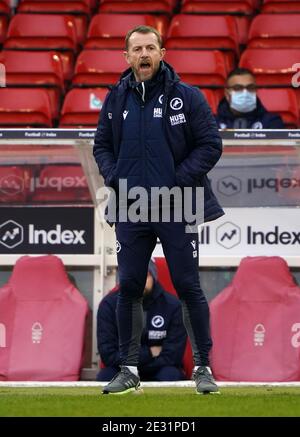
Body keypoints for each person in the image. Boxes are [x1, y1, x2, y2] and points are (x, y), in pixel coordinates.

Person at [93, 25, 224, 395]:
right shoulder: (115, 99)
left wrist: (177, 180)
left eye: (151, 47)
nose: (145, 54)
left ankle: (202, 367)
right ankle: (128, 368)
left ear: (162, 53)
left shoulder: (188, 96)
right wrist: (115, 176)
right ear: (127, 57)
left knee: (187, 285)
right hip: (130, 205)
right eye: (137, 49)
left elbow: (210, 145)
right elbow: (101, 146)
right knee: (129, 287)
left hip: (177, 203)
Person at [96, 259, 187, 382]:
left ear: (153, 277)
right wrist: (150, 353)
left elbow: (172, 356)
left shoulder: (173, 306)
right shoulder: (109, 305)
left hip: (159, 369)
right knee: (106, 377)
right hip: (121, 369)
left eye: (145, 275)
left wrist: (137, 363)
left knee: (170, 375)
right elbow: (108, 356)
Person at [216, 67, 285, 129]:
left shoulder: (272, 121)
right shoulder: (212, 123)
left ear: (256, 91)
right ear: (226, 93)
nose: (245, 92)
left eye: (250, 87)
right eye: (238, 88)